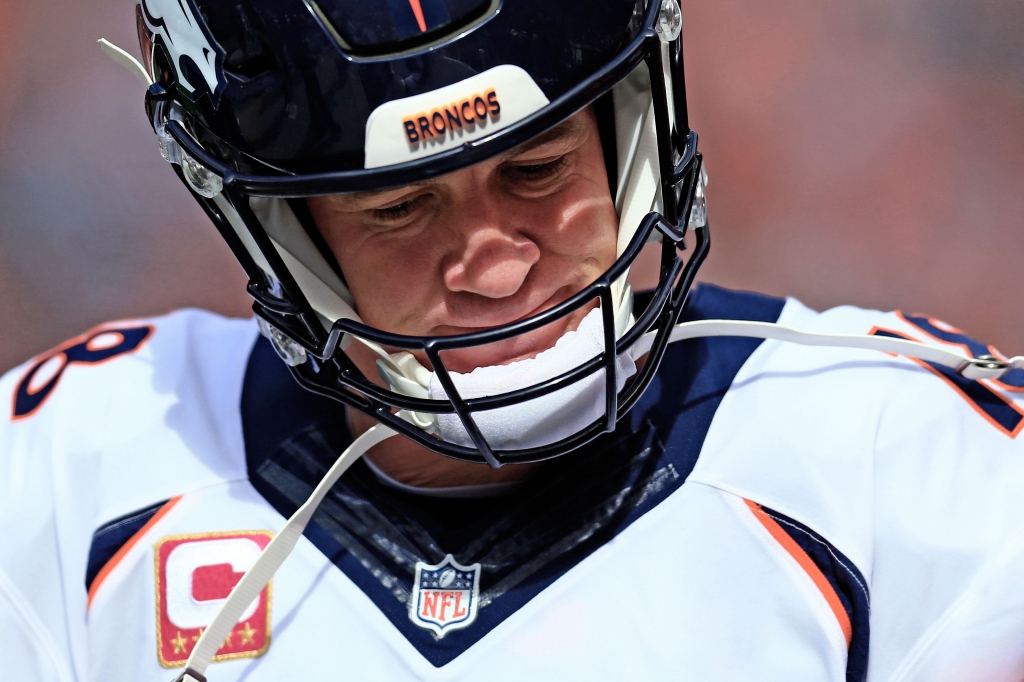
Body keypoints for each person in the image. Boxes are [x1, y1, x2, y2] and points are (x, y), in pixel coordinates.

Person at [2, 0, 1023, 679]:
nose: (491, 267)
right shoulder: (73, 471)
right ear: (280, 229)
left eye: (536, 170)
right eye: (398, 210)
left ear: (630, 131)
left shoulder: (904, 457)